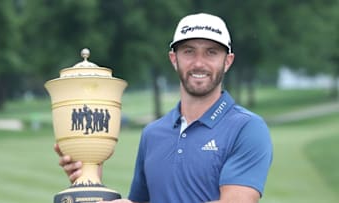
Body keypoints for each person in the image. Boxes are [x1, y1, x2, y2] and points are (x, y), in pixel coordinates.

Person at [55, 13, 273, 203]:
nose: (199, 63)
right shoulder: (153, 133)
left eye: (211, 52)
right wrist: (89, 180)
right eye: (188, 51)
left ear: (227, 61)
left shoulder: (247, 128)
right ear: (173, 59)